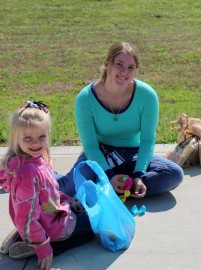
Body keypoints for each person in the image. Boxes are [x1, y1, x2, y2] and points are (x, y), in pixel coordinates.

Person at [57, 42, 183, 198]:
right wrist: (108, 174)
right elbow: (90, 146)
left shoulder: (147, 95)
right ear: (107, 64)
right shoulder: (85, 99)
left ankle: (114, 188)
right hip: (101, 153)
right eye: (119, 64)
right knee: (68, 189)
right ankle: (48, 176)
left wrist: (139, 175)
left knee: (174, 174)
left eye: (131, 67)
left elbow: (147, 140)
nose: (125, 72)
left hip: (134, 154)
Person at [0, 101, 95, 270]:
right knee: (91, 228)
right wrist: (43, 248)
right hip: (53, 225)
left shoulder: (29, 160)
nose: (36, 143)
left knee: (78, 213)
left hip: (45, 214)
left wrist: (68, 200)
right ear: (16, 138)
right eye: (28, 138)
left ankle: (23, 235)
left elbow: (50, 193)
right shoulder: (28, 173)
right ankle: (39, 244)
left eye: (41, 137)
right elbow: (26, 216)